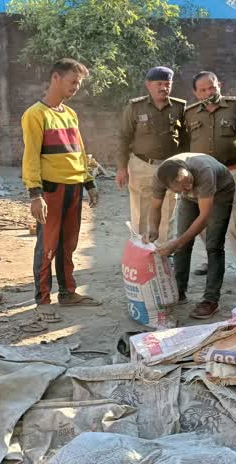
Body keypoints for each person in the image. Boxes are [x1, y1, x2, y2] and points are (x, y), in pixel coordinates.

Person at [21, 58, 102, 323]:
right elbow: (31, 157)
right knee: (48, 245)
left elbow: (78, 152)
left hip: (74, 188)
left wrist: (89, 183)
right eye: (72, 82)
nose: (76, 87)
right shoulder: (35, 114)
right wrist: (35, 195)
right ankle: (42, 299)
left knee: (69, 243)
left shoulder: (69, 114)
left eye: (78, 83)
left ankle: (68, 293)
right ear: (55, 78)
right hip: (52, 190)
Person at [185, 71, 236, 282]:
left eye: (212, 87)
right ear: (196, 93)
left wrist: (234, 153)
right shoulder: (190, 113)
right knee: (204, 219)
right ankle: (209, 259)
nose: (208, 92)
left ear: (219, 85)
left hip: (232, 172)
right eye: (202, 90)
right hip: (202, 176)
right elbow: (186, 142)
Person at [148, 152, 235, 319]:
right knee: (182, 241)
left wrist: (177, 242)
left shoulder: (203, 171)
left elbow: (204, 217)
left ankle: (210, 300)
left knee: (214, 245)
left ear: (186, 170)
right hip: (192, 198)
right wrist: (153, 229)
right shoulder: (160, 176)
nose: (189, 188)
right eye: (182, 187)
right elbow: (155, 206)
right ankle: (179, 290)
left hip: (220, 193)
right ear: (169, 188)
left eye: (188, 181)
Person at [117, 66, 185, 241]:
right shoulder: (135, 107)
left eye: (167, 84)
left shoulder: (180, 108)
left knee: (168, 209)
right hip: (141, 165)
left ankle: (163, 252)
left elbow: (187, 139)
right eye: (159, 84)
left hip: (171, 167)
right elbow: (124, 138)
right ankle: (141, 250)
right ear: (148, 85)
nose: (164, 88)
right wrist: (122, 168)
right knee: (141, 211)